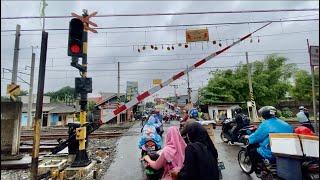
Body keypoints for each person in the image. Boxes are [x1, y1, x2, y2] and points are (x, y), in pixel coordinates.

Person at [246, 106, 293, 175]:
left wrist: (249, 138)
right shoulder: (285, 123)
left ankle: (257, 169)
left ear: (264, 115)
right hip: (287, 150)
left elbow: (257, 137)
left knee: (252, 151)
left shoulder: (265, 124)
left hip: (272, 152)